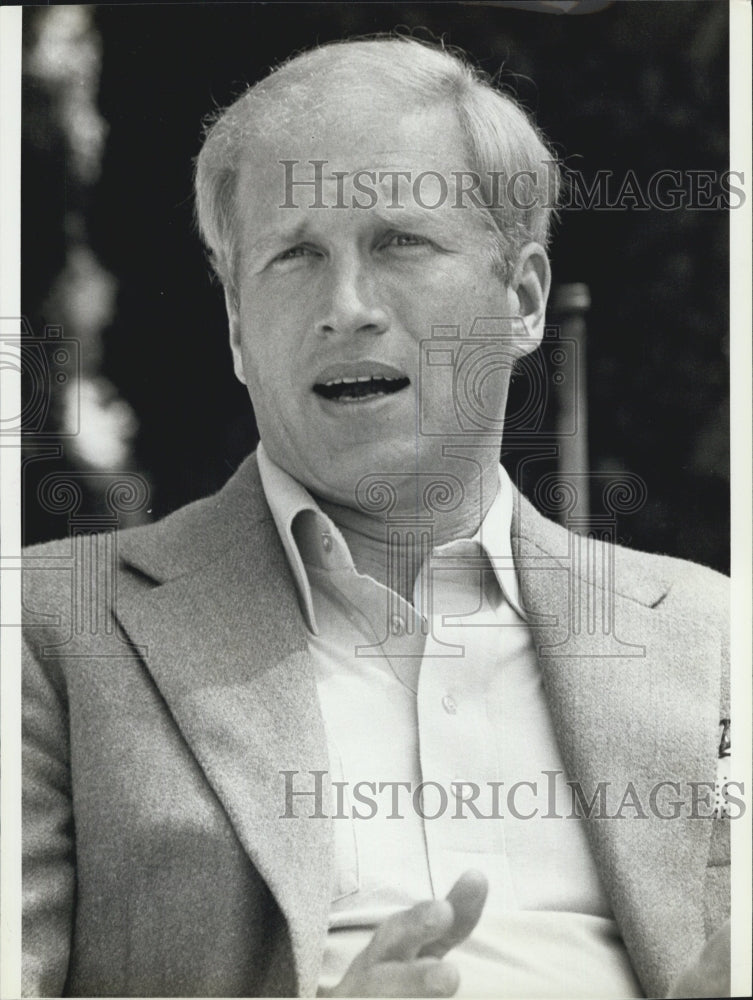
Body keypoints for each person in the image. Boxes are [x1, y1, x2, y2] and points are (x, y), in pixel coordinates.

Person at [22, 36, 731, 998]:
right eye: (294, 256)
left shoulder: (714, 640)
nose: (346, 306)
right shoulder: (49, 630)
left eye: (400, 241)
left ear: (523, 299)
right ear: (236, 329)